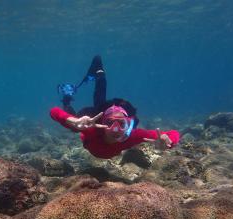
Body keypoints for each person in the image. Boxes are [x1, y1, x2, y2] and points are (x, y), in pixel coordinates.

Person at [50, 56, 180, 159]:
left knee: (99, 98)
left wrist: (168, 142)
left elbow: (174, 133)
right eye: (110, 122)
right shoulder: (91, 129)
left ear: (129, 124)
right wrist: (74, 122)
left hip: (103, 113)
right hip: (98, 114)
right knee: (77, 122)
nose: (116, 129)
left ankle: (100, 73)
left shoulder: (134, 136)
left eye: (121, 123)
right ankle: (69, 98)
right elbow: (54, 112)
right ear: (103, 122)